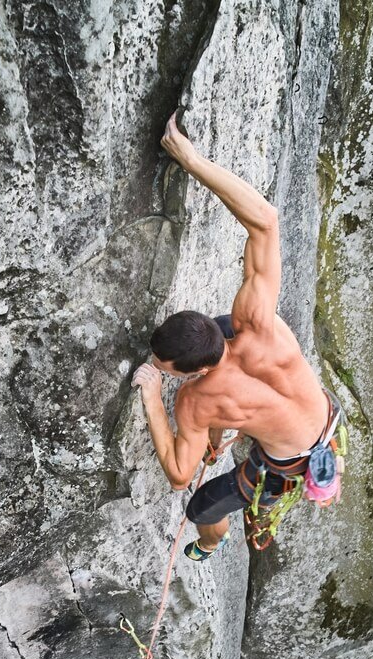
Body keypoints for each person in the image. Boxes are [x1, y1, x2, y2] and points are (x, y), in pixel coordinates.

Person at [132, 111, 342, 561]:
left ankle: (213, 543)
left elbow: (178, 475)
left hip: (286, 467)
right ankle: (227, 437)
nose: (158, 366)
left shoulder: (194, 402)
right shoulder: (257, 322)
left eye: (163, 365)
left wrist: (153, 395)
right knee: (228, 329)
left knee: (202, 506)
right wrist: (192, 159)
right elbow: (265, 220)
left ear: (194, 372)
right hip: (325, 416)